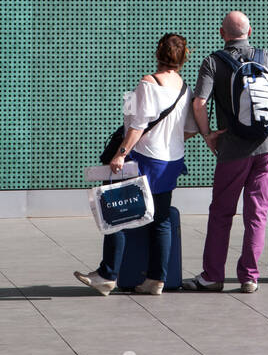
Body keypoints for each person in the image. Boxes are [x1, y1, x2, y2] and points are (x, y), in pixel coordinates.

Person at [182, 11, 268, 292]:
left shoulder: (213, 62)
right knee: (257, 213)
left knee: (221, 213)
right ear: (249, 32)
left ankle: (212, 276)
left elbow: (199, 103)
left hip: (233, 149)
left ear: (221, 33)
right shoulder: (265, 58)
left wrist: (207, 136)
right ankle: (249, 276)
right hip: (267, 149)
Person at [75, 33, 196, 296]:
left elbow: (137, 127)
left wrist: (120, 154)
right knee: (161, 220)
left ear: (158, 53)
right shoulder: (185, 89)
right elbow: (189, 129)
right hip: (171, 161)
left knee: (118, 215)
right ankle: (156, 280)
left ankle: (107, 275)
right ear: (183, 57)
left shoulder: (148, 83)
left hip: (144, 159)